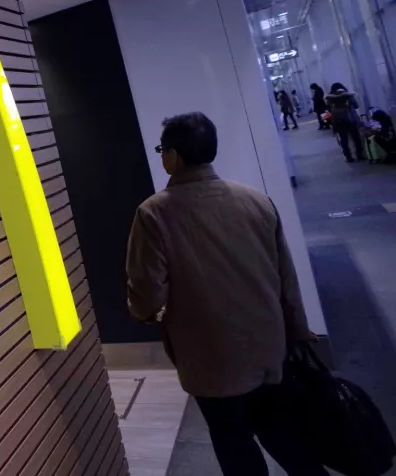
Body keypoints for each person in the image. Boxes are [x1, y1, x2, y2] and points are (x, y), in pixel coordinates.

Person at [127, 112, 324, 476]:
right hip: (269, 345)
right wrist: (298, 331)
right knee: (283, 433)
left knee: (233, 441)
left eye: (162, 150)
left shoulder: (154, 213)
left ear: (175, 155)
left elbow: (147, 293)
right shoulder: (256, 201)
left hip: (209, 356)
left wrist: (149, 315)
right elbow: (287, 278)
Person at [325, 83, 364, 162]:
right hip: (350, 120)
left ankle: (348, 157)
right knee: (356, 138)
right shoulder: (348, 95)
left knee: (344, 140)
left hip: (338, 121)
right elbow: (356, 106)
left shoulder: (330, 97)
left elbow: (329, 109)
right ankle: (360, 155)